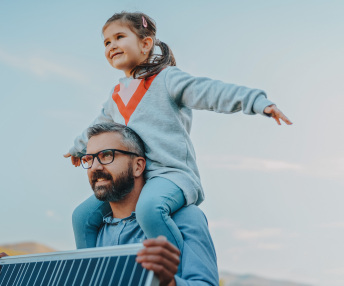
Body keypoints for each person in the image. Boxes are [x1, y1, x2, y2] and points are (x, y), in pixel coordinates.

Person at [64, 11, 292, 250]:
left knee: (149, 210)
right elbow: (96, 127)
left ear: (145, 44)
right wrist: (78, 148)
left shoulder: (167, 80)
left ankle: (174, 270)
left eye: (119, 37)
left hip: (171, 176)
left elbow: (210, 92)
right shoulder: (116, 96)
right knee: (81, 217)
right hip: (135, 179)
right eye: (107, 42)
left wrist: (255, 101)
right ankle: (88, 269)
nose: (112, 45)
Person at [0, 123, 219, 286]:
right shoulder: (95, 233)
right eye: (89, 159)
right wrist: (11, 274)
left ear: (138, 166)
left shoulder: (185, 217)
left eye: (106, 156)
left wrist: (168, 282)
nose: (95, 166)